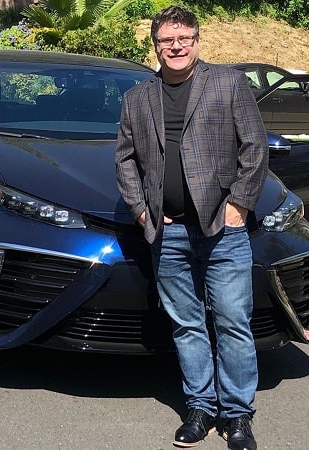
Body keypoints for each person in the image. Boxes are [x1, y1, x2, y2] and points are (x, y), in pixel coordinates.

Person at [115, 5, 268, 450]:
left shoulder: (228, 84)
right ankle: (199, 407)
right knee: (185, 325)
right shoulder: (137, 98)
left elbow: (254, 148)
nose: (176, 46)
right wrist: (142, 212)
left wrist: (238, 206)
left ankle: (238, 416)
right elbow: (125, 161)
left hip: (224, 230)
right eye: (167, 40)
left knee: (233, 323)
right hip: (169, 233)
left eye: (183, 38)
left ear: (197, 41)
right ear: (156, 45)